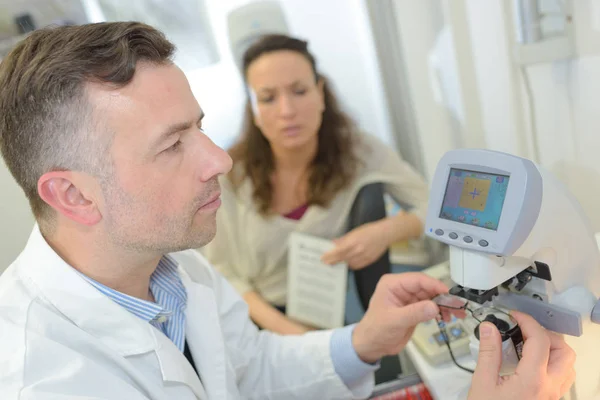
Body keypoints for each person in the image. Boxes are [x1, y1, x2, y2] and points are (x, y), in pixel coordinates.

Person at [0, 22, 574, 400]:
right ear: (73, 196)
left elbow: (252, 366)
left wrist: (363, 341)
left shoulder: (173, 271)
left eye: (199, 128)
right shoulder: (44, 379)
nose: (220, 160)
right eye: (173, 145)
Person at [201, 34, 430, 334]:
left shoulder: (359, 152)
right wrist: (294, 336)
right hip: (255, 322)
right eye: (268, 98)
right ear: (254, 110)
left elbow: (437, 207)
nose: (287, 111)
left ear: (320, 92)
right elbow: (223, 274)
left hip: (328, 314)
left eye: (299, 91)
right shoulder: (230, 176)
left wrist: (385, 231)